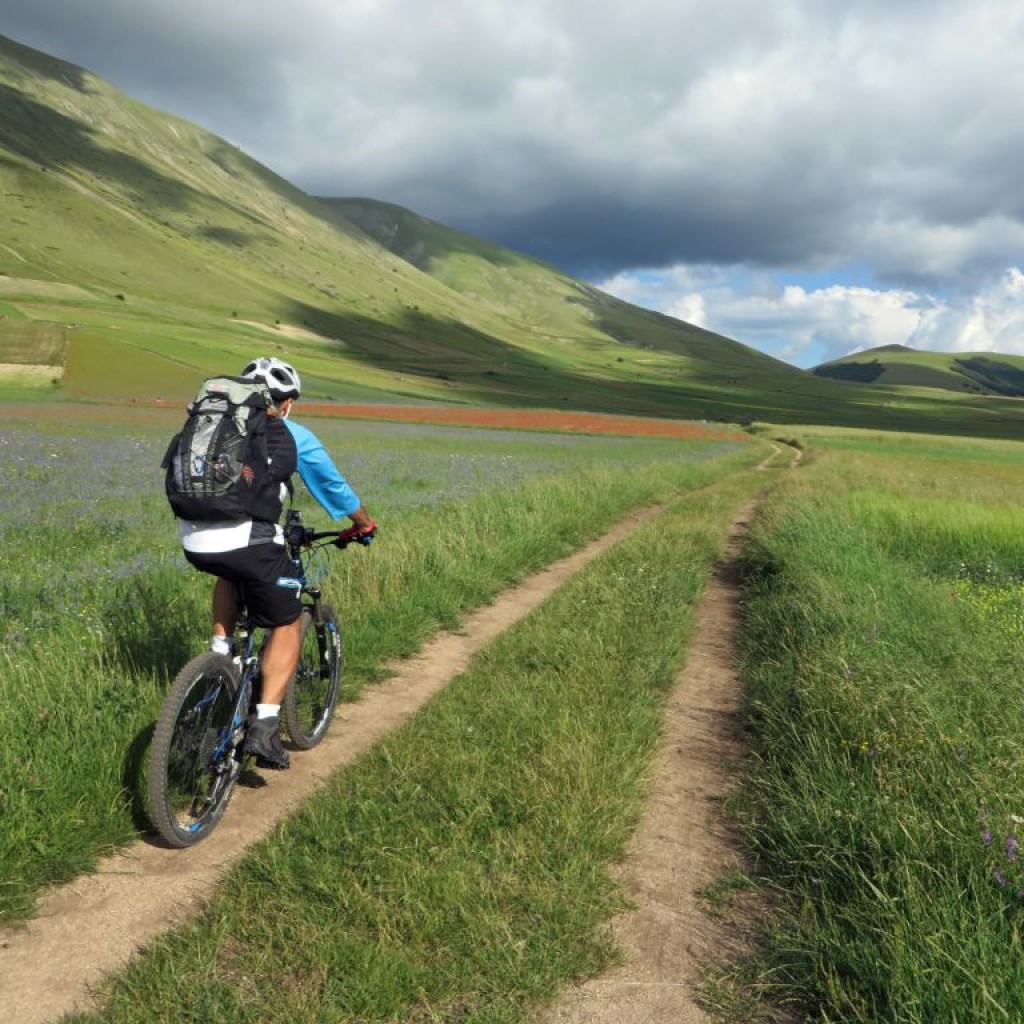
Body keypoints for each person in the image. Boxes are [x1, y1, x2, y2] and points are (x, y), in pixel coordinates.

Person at [176, 356, 377, 769]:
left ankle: (221, 657)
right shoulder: (289, 430)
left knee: (230, 571)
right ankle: (264, 729)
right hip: (247, 537)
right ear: (285, 403)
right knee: (286, 621)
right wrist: (364, 523)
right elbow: (334, 488)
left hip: (193, 535)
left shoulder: (217, 423)